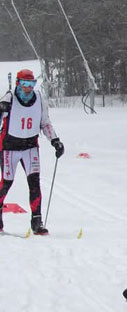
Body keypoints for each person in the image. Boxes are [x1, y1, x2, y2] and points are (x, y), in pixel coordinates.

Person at [0, 69, 64, 235]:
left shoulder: (39, 99)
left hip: (30, 146)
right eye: (25, 84)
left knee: (34, 183)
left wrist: (55, 140)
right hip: (9, 147)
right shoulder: (9, 97)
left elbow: (45, 123)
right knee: (6, 183)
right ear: (18, 83)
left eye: (31, 84)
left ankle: (37, 222)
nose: (28, 88)